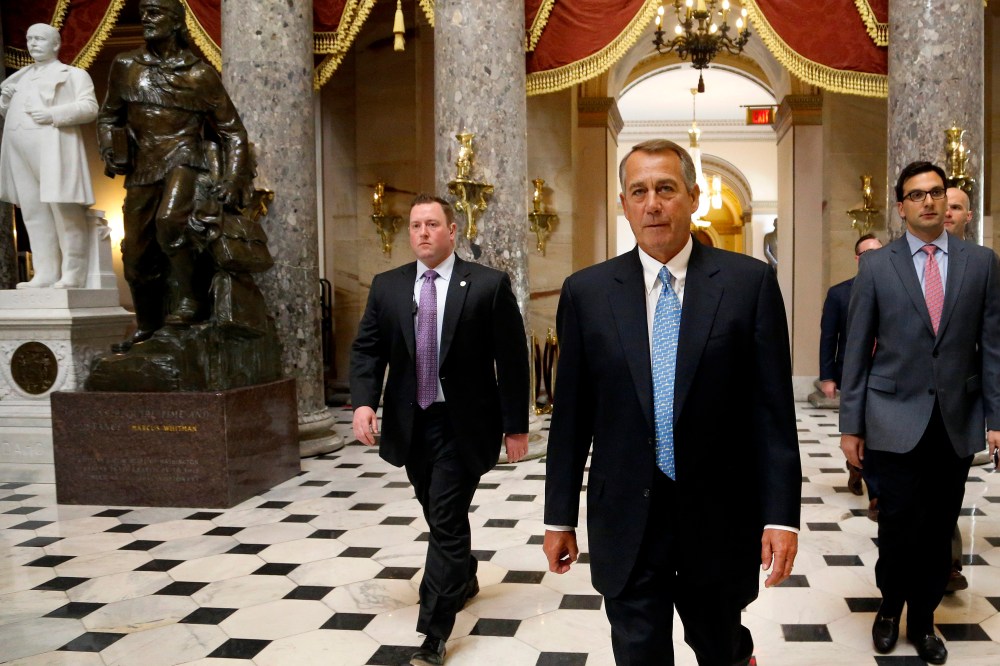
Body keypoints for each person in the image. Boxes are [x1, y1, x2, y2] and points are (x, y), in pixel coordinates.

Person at [543, 139, 801, 665]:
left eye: (665, 189)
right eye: (638, 191)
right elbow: (572, 418)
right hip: (626, 517)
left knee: (720, 644)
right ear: (623, 203)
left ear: (693, 197)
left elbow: (772, 414)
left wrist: (781, 517)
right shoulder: (587, 293)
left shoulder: (747, 284)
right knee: (638, 654)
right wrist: (558, 515)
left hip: (719, 515)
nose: (652, 204)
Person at [350, 194, 529, 666]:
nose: (423, 233)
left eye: (432, 224)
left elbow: (511, 361)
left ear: (453, 231)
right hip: (412, 424)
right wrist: (365, 402)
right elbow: (368, 349)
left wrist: (516, 427)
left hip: (464, 424)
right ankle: (464, 574)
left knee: (446, 519)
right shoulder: (388, 287)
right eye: (415, 226)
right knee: (436, 511)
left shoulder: (488, 285)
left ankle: (434, 632)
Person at [839, 161, 1000, 664]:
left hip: (954, 420)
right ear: (901, 205)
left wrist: (996, 419)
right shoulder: (877, 266)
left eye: (936, 193)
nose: (928, 202)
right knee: (898, 524)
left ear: (947, 199)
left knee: (937, 528)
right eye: (917, 195)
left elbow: (992, 346)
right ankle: (890, 606)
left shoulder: (981, 263)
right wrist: (851, 426)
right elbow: (857, 347)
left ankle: (925, 620)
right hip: (890, 418)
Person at [97, 0, 251, 351]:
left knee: (170, 222)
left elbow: (233, 131)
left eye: (155, 14)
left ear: (177, 22)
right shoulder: (125, 66)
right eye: (143, 14)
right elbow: (109, 116)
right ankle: (148, 326)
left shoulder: (199, 74)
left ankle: (191, 301)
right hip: (142, 166)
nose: (146, 21)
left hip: (185, 157)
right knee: (134, 251)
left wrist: (232, 179)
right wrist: (110, 148)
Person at [0, 23, 97, 289]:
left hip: (53, 147)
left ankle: (73, 273)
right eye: (29, 38)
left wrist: (54, 114)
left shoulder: (74, 75)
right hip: (20, 148)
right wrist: (6, 102)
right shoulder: (18, 78)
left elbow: (89, 107)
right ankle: (45, 272)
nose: (33, 43)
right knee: (33, 211)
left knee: (63, 209)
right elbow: (10, 112)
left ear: (55, 44)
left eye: (40, 39)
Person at [819, 233, 882, 496]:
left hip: (884, 374)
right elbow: (828, 336)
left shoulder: (894, 289)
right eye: (868, 253)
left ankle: (877, 494)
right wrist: (827, 376)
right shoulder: (839, 293)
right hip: (851, 373)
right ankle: (855, 467)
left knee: (878, 432)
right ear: (857, 259)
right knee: (857, 427)